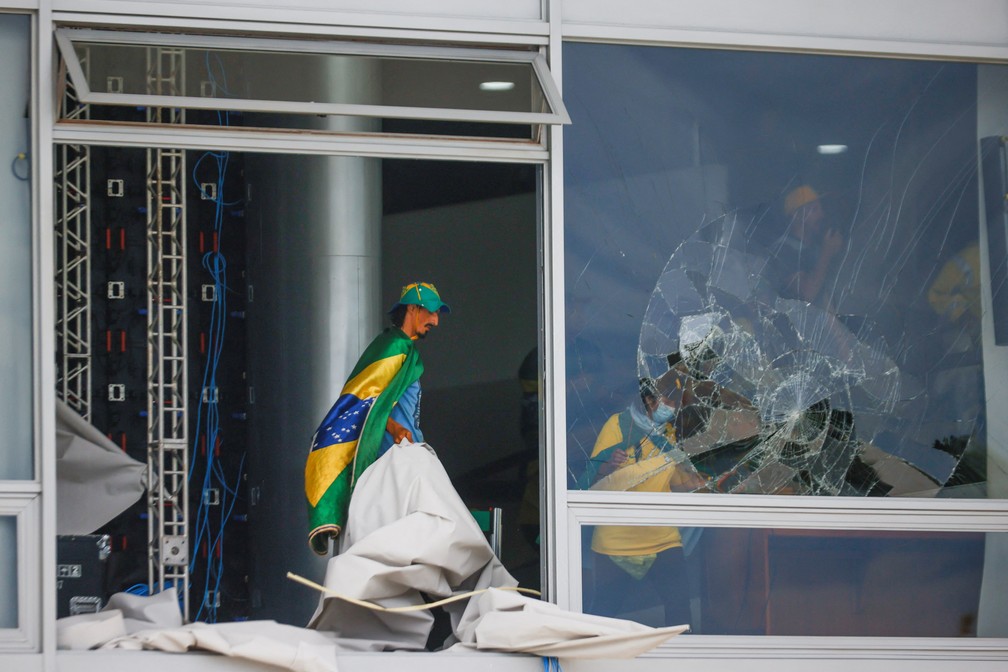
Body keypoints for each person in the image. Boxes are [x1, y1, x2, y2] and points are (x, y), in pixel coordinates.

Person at [305, 281, 450, 555]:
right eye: (431, 311)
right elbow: (365, 404)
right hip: (392, 462)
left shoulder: (406, 349)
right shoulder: (393, 345)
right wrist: (395, 427)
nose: (436, 321)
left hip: (408, 455)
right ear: (412, 308)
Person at [580, 366, 710, 628]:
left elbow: (675, 481)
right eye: (669, 400)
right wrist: (608, 466)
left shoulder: (668, 435)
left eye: (675, 401)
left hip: (662, 537)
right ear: (649, 400)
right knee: (603, 612)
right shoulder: (617, 425)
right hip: (616, 540)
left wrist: (702, 483)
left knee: (679, 612)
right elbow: (593, 479)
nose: (673, 407)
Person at [772, 185, 845, 306]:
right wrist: (827, 253)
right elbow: (806, 295)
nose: (821, 215)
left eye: (821, 209)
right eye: (814, 209)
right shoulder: (782, 250)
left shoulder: (814, 249)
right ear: (796, 215)